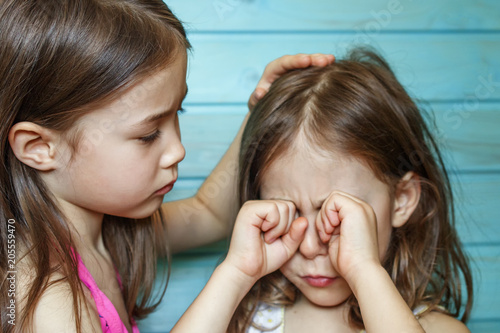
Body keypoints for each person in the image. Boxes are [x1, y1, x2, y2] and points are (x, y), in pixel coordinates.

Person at [0, 1, 334, 332]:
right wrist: (236, 276)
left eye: (179, 113)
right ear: (39, 148)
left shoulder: (113, 234)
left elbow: (210, 214)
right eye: (148, 134)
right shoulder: (48, 300)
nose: (178, 150)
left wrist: (259, 113)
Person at [171, 47, 473, 333]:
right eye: (288, 213)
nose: (311, 246)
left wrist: (364, 271)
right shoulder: (241, 320)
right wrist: (235, 274)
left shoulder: (438, 329)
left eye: (337, 215)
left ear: (402, 200)